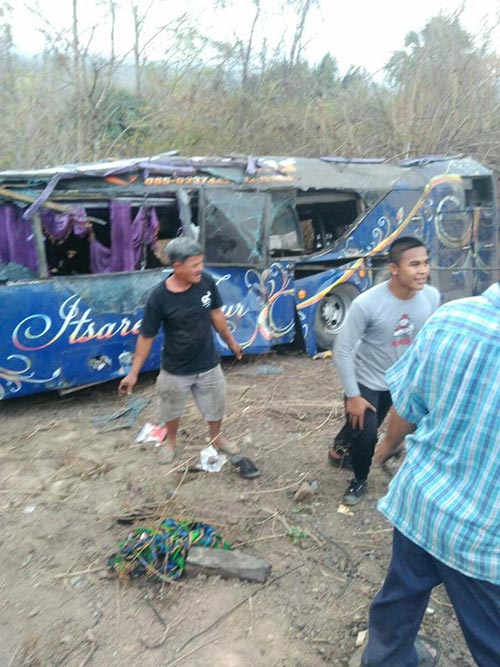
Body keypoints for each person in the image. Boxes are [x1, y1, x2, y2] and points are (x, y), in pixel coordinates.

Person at [354, 281, 500, 667]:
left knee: (400, 596)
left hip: (424, 501)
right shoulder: (375, 304)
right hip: (485, 536)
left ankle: (384, 659)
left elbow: (408, 403)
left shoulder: (451, 317)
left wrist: (387, 446)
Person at [331, 237, 440, 505]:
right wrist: (353, 396)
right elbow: (342, 350)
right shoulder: (367, 303)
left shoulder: (431, 297)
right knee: (367, 434)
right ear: (393, 269)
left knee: (383, 426)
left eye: (426, 263)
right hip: (367, 381)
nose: (423, 271)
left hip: (402, 382)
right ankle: (359, 479)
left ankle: (339, 448)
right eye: (414, 265)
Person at [118, 237, 243, 463]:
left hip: (208, 363)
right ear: (177, 267)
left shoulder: (206, 282)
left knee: (216, 406)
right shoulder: (159, 297)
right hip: (175, 369)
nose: (200, 269)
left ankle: (217, 438)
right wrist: (133, 373)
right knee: (171, 409)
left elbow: (216, 314)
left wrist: (231, 342)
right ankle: (171, 443)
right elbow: (146, 336)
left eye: (201, 263)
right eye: (195, 265)